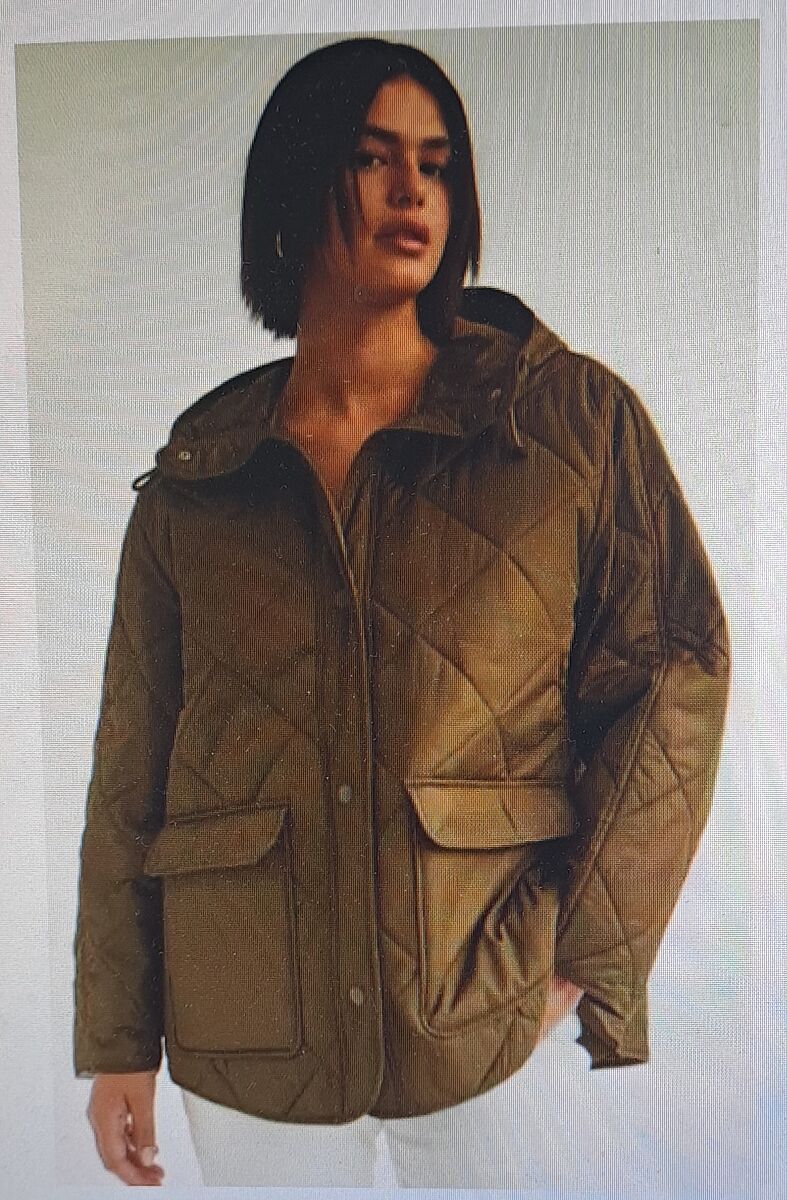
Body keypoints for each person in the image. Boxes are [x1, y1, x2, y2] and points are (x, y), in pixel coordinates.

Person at [73, 36, 731, 1188]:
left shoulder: (563, 423)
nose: (411, 190)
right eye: (371, 158)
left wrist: (584, 953)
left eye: (434, 163)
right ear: (293, 187)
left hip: (491, 1013)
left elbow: (673, 671)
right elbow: (133, 766)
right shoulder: (200, 476)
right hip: (251, 1032)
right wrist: (118, 1041)